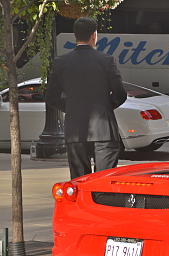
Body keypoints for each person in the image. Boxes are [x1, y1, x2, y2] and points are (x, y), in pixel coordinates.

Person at [46, 17, 127, 179]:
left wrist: (71, 107)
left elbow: (51, 97)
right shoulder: (106, 60)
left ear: (75, 36)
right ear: (94, 35)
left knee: (79, 181)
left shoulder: (61, 63)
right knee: (104, 181)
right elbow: (120, 94)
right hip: (104, 131)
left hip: (75, 130)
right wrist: (104, 106)